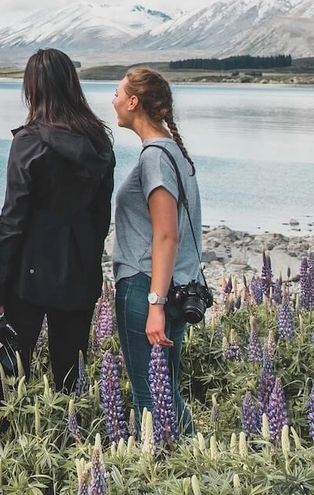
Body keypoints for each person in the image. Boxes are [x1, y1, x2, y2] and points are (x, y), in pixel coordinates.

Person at [0, 49, 115, 393]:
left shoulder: (28, 142)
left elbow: (12, 221)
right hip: (81, 273)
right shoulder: (100, 142)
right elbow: (102, 217)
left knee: (12, 377)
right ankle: (75, 440)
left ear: (33, 89)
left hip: (28, 277)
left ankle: (13, 441)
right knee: (72, 375)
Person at [111, 67, 202, 435]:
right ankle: (193, 465)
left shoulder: (155, 156)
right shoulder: (173, 150)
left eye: (118, 93)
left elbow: (167, 235)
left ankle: (169, 475)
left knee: (149, 400)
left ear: (134, 102)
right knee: (167, 393)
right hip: (176, 286)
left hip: (148, 287)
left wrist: (154, 304)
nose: (113, 101)